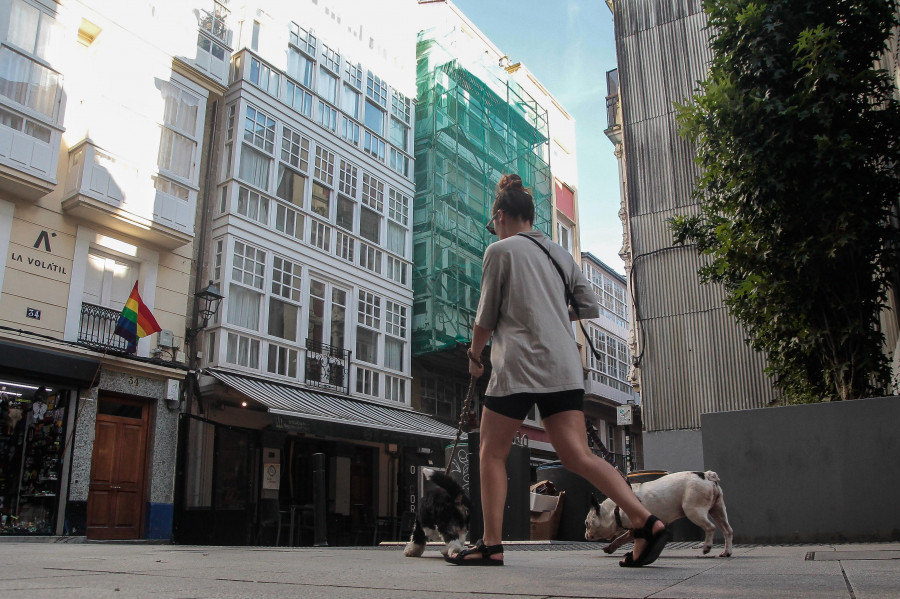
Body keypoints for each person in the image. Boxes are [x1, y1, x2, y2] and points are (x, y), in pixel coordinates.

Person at [445, 174, 671, 567]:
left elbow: (485, 317)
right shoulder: (560, 254)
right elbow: (589, 306)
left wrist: (475, 356)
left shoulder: (501, 251)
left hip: (517, 364)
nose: (494, 228)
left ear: (500, 216)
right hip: (562, 363)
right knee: (578, 455)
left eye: (493, 222)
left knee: (491, 452)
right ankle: (645, 520)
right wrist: (552, 312)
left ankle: (492, 544)